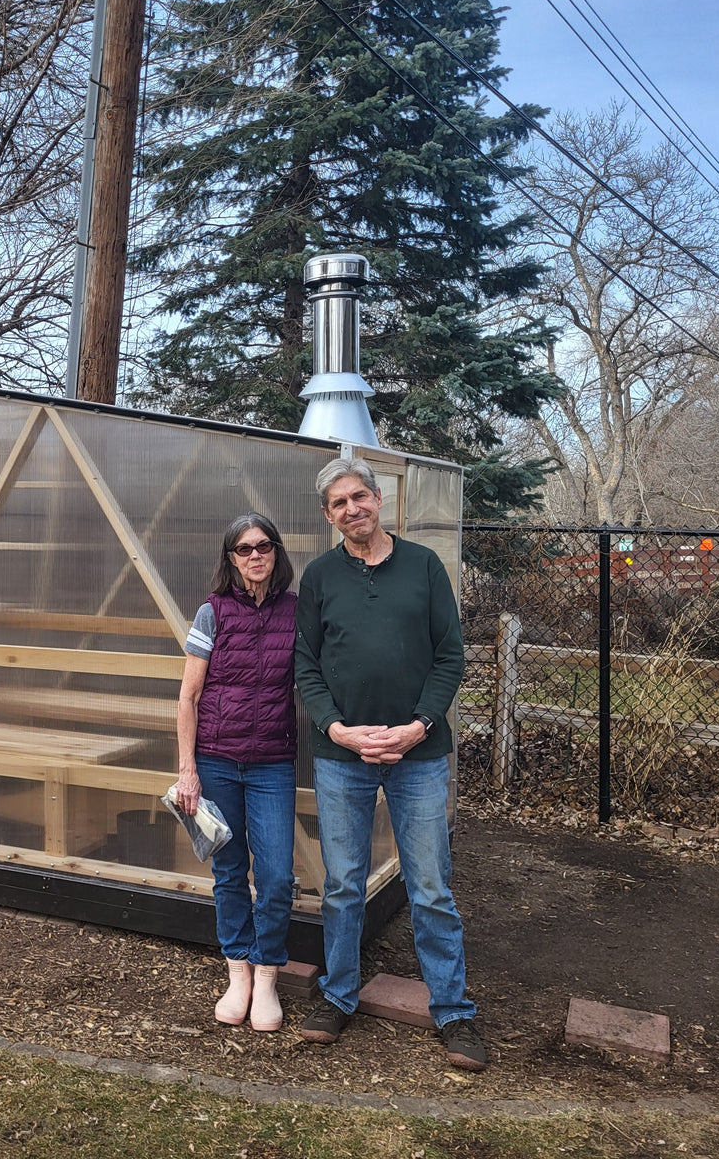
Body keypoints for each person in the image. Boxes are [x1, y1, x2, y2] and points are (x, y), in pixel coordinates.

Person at [292, 456, 488, 1071]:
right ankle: (337, 995)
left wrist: (418, 725)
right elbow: (306, 666)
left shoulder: (423, 566)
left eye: (360, 496)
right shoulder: (319, 577)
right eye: (339, 503)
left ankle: (452, 1010)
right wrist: (338, 730)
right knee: (343, 884)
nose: (352, 508)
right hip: (343, 756)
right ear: (328, 515)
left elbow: (449, 656)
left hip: (418, 754)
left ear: (379, 499)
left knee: (430, 887)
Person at [174, 513, 299, 1031]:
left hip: (272, 763)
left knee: (275, 876)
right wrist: (188, 771)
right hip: (216, 761)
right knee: (228, 872)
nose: (255, 556)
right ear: (231, 559)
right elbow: (189, 696)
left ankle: (267, 974)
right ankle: (238, 971)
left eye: (263, 546)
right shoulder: (213, 612)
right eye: (243, 549)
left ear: (276, 552)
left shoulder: (296, 611)